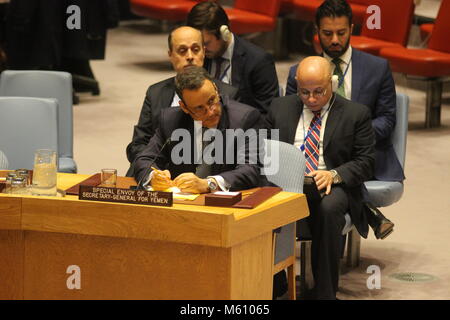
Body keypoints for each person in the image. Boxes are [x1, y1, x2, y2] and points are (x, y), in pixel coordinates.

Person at [285, 0, 404, 239]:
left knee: (337, 167)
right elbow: (291, 119)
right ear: (316, 32)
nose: (335, 40)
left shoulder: (377, 68)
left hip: (363, 154)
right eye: (328, 34)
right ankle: (369, 212)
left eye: (341, 32)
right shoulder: (301, 72)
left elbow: (387, 120)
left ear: (352, 28)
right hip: (316, 153)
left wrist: (351, 137)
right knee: (323, 173)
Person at [267, 56, 375, 299]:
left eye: (319, 91)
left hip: (331, 185)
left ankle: (325, 292)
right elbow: (264, 151)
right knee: (261, 204)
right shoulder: (279, 107)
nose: (312, 99)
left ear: (333, 83)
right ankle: (275, 284)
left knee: (328, 208)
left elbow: (366, 162)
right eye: (304, 92)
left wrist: (335, 174)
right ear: (296, 85)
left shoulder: (356, 114)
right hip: (286, 182)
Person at [133, 66, 268, 193]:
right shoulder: (170, 120)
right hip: (184, 203)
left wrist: (208, 184)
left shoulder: (245, 119)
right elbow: (144, 159)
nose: (210, 112)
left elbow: (250, 170)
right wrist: (153, 176)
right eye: (199, 108)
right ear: (184, 107)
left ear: (216, 89)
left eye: (211, 101)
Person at [126, 26, 239, 176]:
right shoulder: (156, 93)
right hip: (160, 174)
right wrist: (153, 170)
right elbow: (138, 144)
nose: (190, 56)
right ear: (170, 55)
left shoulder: (228, 94)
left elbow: (234, 152)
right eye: (182, 51)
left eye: (196, 49)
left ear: (204, 53)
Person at [186, 1, 279, 114]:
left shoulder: (259, 61)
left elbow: (267, 114)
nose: (201, 49)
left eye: (206, 43)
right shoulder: (197, 55)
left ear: (224, 34)